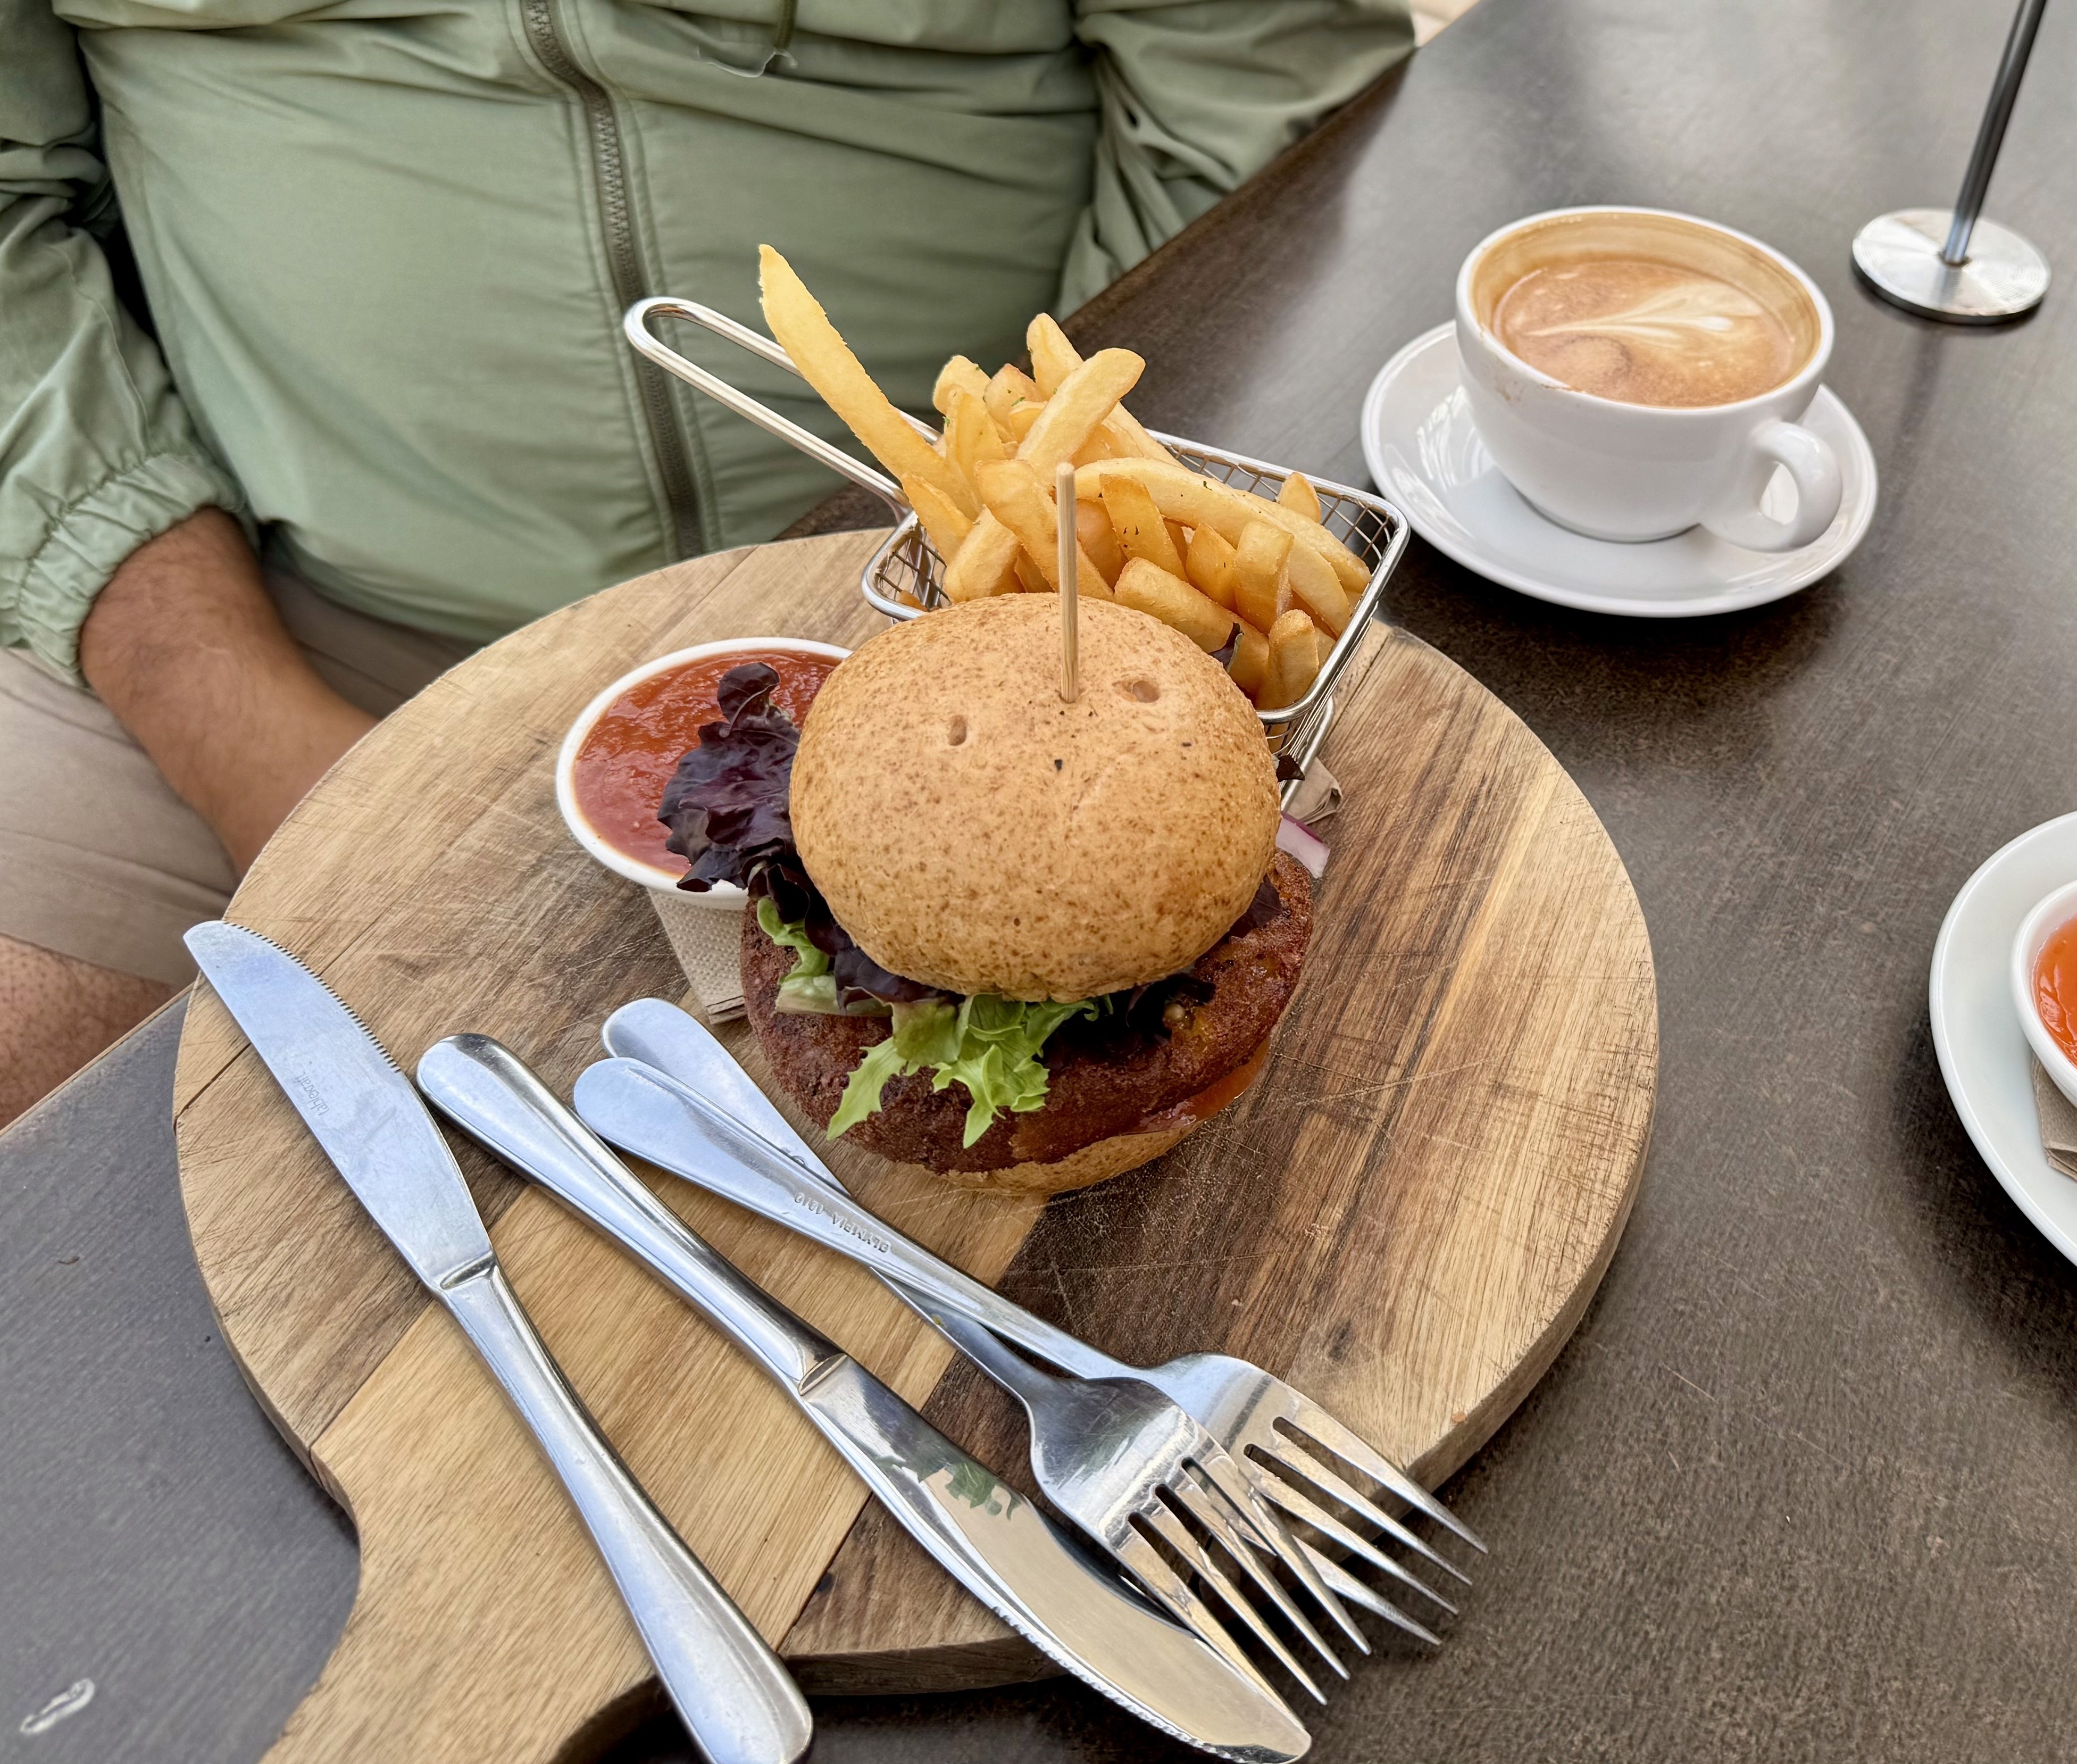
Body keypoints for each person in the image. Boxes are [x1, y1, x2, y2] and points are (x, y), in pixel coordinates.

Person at [0, 0, 1412, 1121]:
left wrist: (1037, 518)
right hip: (255, 593)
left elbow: (1261, 99)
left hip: (948, 579)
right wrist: (238, 729)